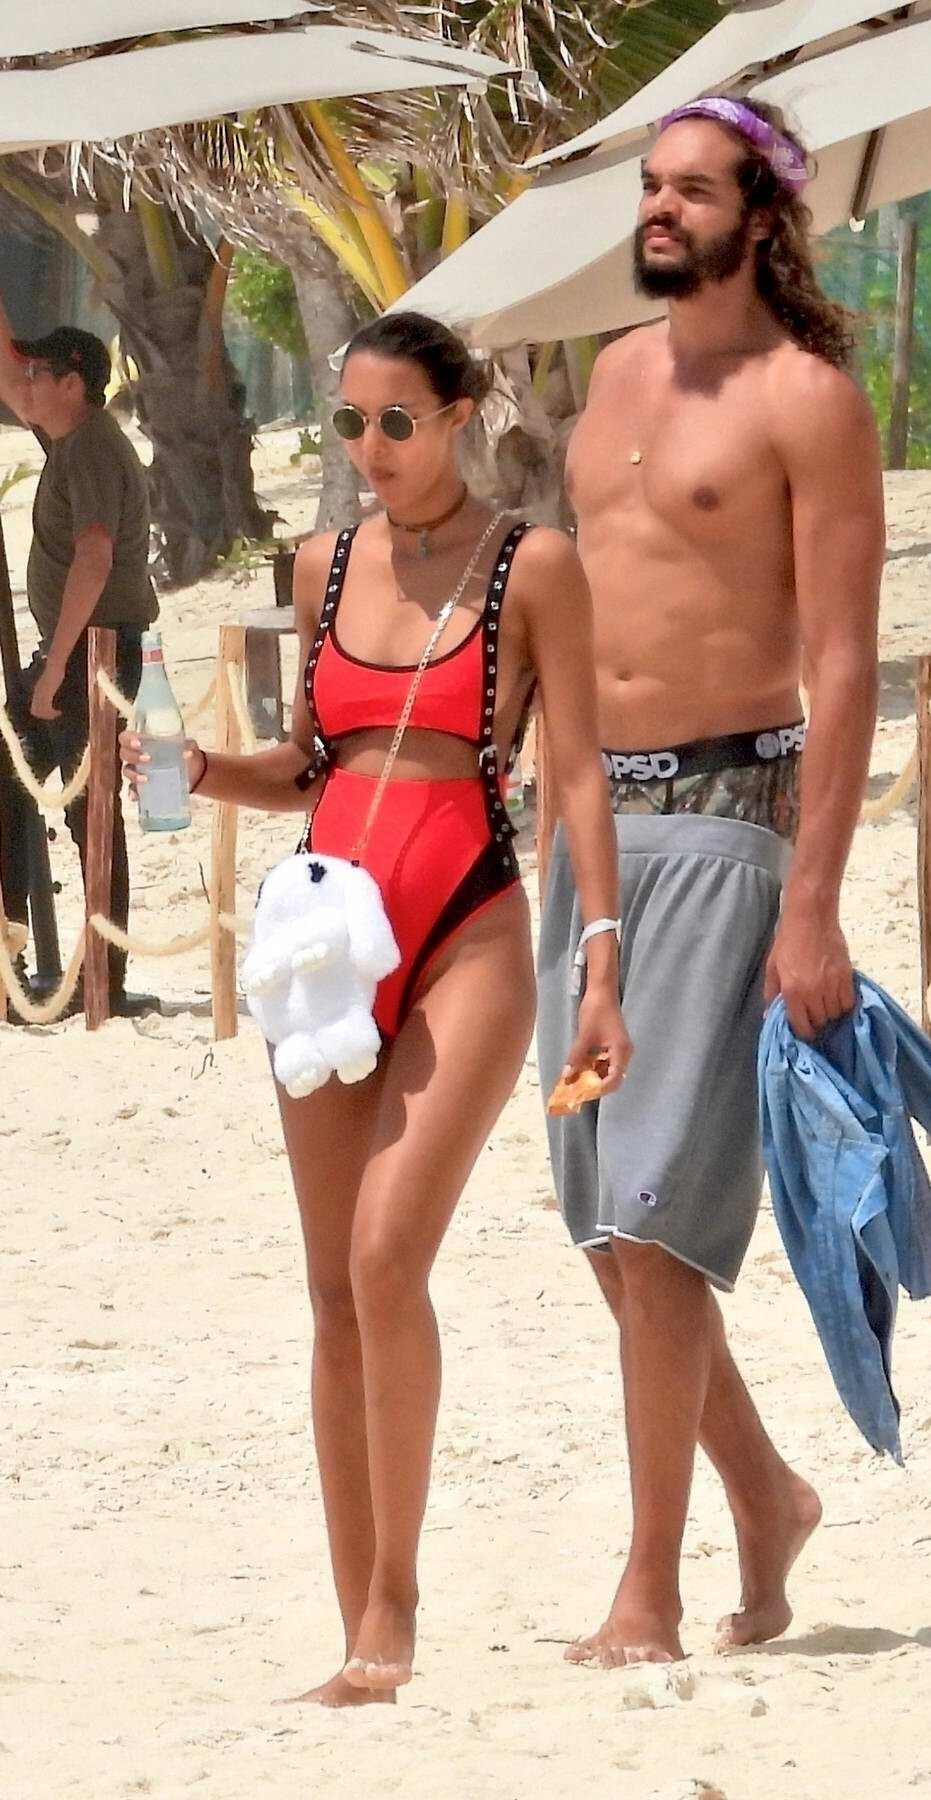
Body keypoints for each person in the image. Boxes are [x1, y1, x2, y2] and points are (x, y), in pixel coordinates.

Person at [120, 311, 631, 1704]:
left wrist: (601, 959)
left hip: (469, 927)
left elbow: (577, 776)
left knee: (388, 1258)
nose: (368, 448)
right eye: (349, 422)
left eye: (395, 421)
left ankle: (396, 1608)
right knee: (332, 1288)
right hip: (332, 940)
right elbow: (312, 762)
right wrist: (197, 770)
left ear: (461, 415)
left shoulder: (535, 566)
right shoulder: (321, 564)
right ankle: (359, 1626)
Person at [537, 96, 883, 1667]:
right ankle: (765, 1494)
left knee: (660, 1208)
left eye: (691, 187)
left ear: (763, 212)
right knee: (603, 1206)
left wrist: (813, 904)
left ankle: (650, 1591)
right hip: (588, 839)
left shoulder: (810, 401)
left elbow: (845, 662)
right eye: (650, 185)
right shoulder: (611, 374)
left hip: (729, 820)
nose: (660, 208)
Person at [0, 303, 159, 1009]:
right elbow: (10, 378)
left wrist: (58, 665)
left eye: (42, 372)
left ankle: (103, 980)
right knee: (29, 792)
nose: (28, 384)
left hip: (95, 648)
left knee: (87, 810)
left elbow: (95, 555)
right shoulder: (67, 436)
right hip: (80, 648)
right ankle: (43, 967)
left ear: (73, 383)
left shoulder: (91, 444)